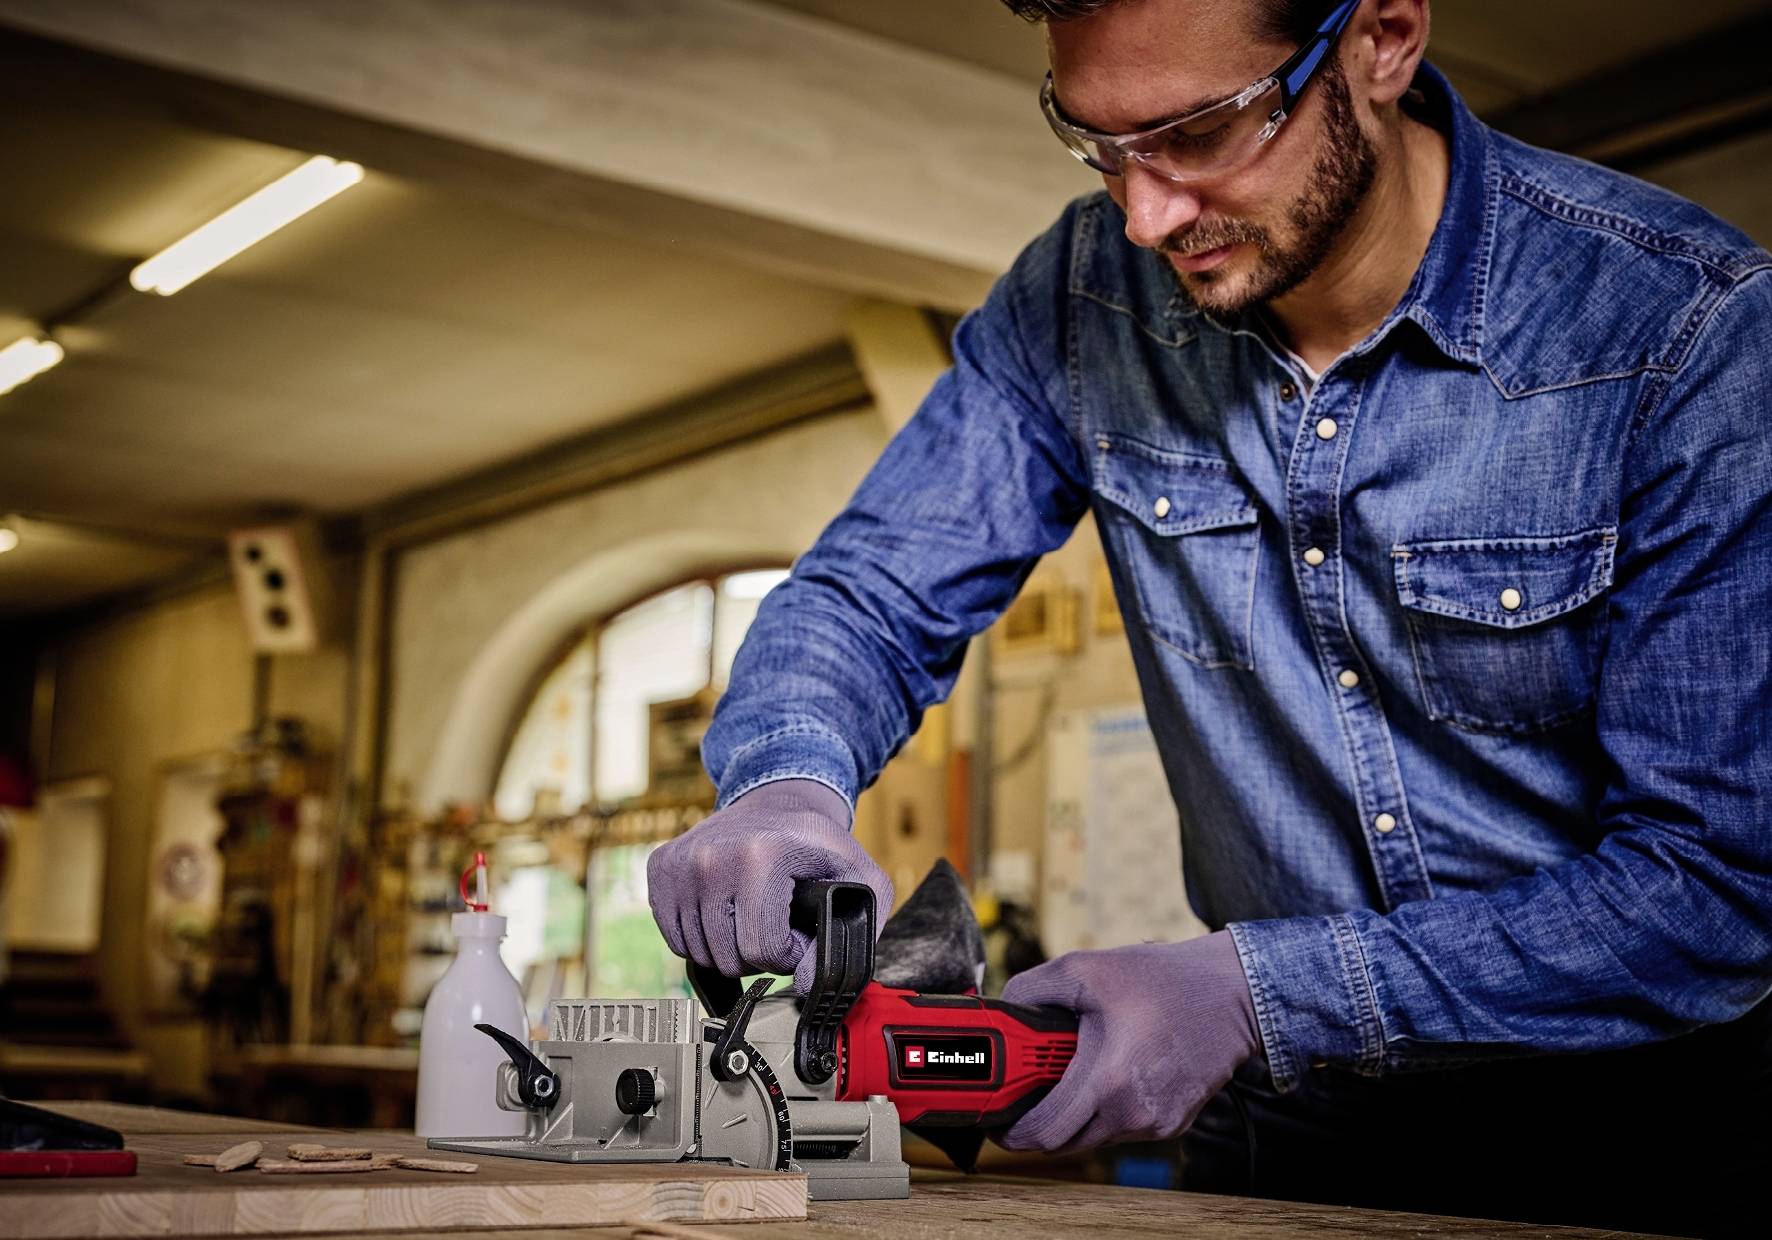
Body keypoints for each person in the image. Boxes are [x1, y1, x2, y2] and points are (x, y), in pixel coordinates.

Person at [646, 0, 1771, 1231]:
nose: (1145, 214)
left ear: (1380, 40)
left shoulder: (1684, 332)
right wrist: (780, 784)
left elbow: (1713, 883)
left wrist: (1252, 991)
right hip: (1286, 1122)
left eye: (1196, 132)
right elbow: (867, 594)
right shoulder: (1082, 298)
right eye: (1098, 144)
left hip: (1651, 1134)